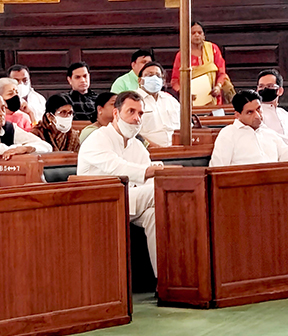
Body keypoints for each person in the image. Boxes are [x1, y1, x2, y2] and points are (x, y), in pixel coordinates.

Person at [78, 91, 168, 278]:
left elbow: (148, 178)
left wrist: (154, 172)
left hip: (128, 201)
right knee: (162, 191)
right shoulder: (97, 138)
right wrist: (153, 170)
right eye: (131, 112)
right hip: (98, 201)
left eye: (140, 113)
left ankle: (164, 281)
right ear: (116, 113)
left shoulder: (136, 145)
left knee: (155, 215)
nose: (137, 118)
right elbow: (117, 168)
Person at [210, 90, 288, 167]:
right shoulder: (228, 134)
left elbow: (287, 155)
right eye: (250, 112)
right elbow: (217, 169)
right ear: (238, 115)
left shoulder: (269, 133)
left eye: (258, 109)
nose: (257, 116)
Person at [170, 21, 231, 106]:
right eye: (193, 33)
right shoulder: (182, 55)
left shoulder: (213, 49)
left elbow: (222, 73)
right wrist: (184, 93)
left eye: (199, 32)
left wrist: (218, 87)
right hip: (191, 102)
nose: (197, 35)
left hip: (214, 98)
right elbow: (175, 81)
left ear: (204, 35)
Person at [136, 62, 180, 147]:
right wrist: (154, 147)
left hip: (178, 149)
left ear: (163, 81)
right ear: (140, 80)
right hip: (147, 150)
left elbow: (187, 126)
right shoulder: (132, 100)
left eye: (158, 76)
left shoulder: (170, 99)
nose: (154, 78)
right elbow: (132, 133)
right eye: (149, 75)